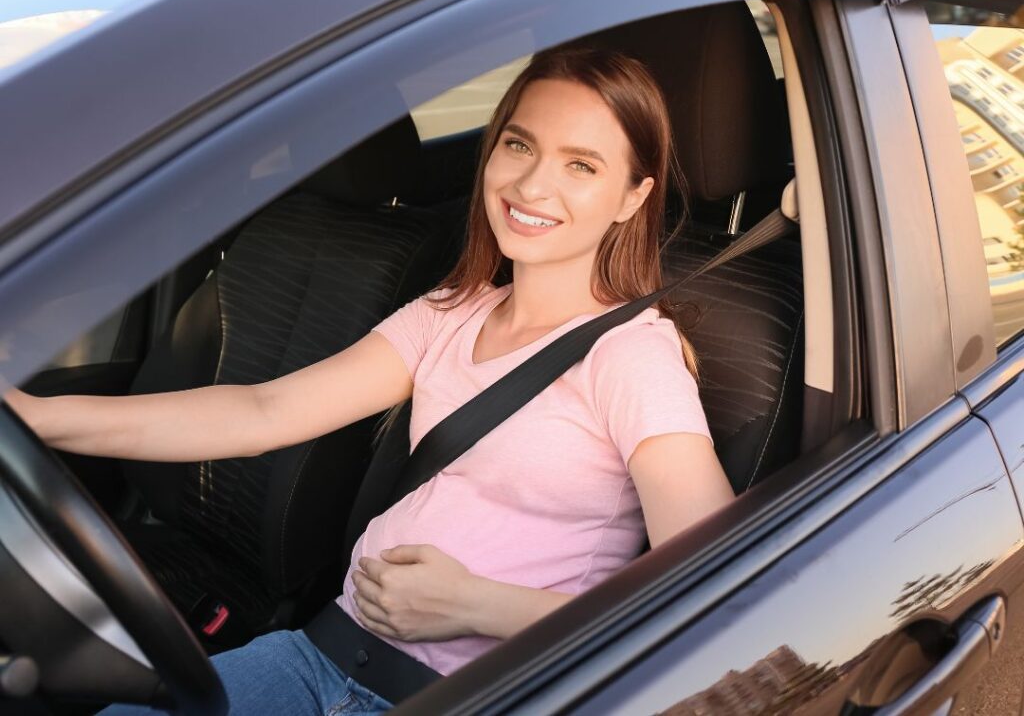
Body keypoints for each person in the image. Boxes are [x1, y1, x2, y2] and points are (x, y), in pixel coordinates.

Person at [4, 45, 736, 714]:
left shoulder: (633, 356)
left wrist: (477, 605)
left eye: (582, 164)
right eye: (519, 144)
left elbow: (712, 592)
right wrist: (36, 419)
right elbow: (264, 409)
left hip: (484, 693)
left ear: (633, 197)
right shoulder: (452, 310)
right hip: (318, 655)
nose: (534, 183)